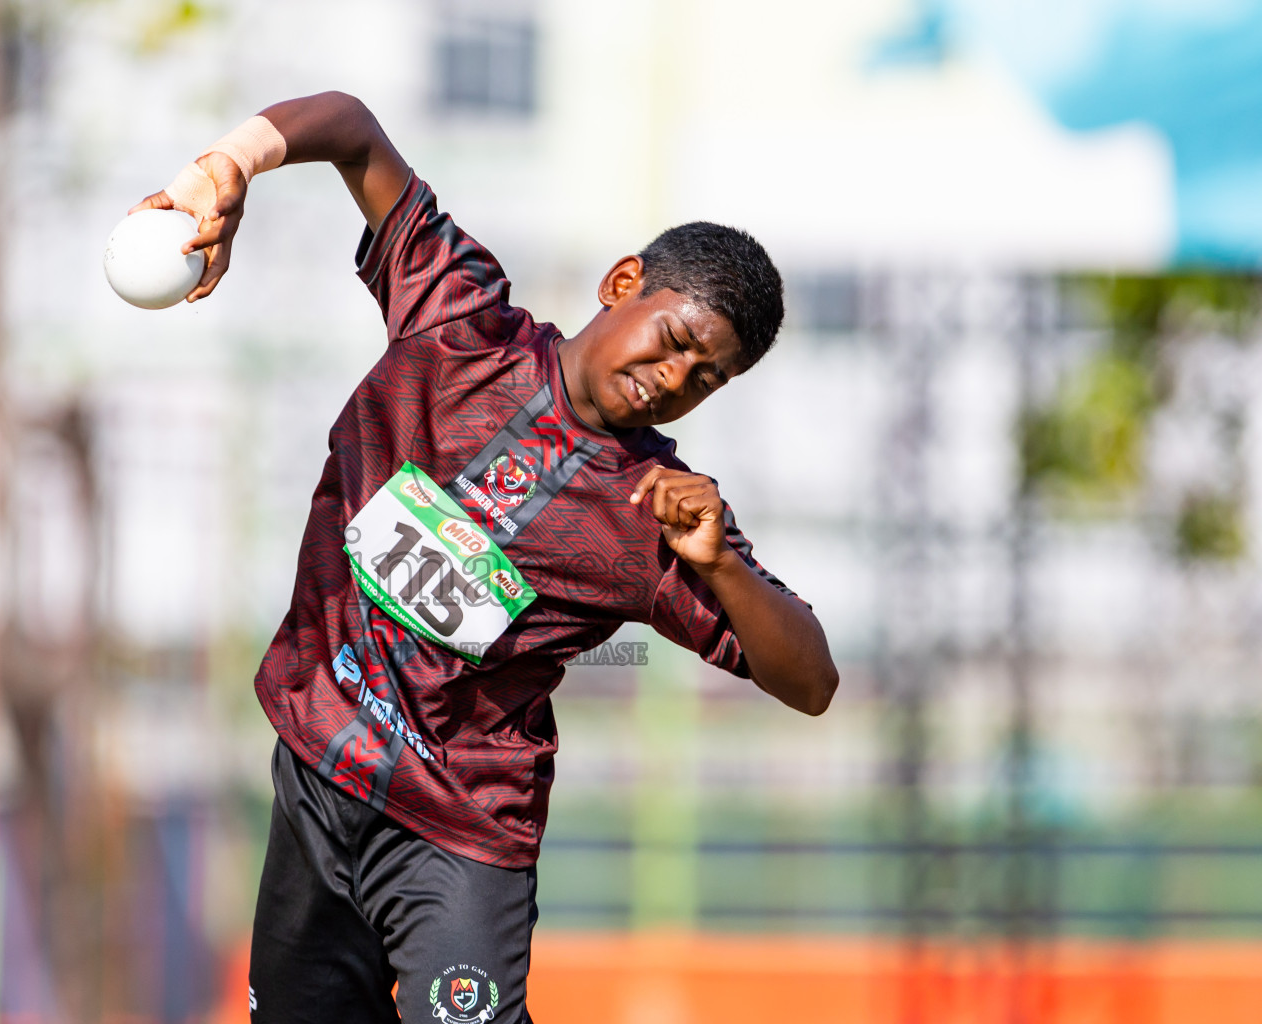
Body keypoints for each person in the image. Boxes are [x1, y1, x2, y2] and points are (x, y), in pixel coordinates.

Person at [130, 90, 839, 1024]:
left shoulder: (659, 516)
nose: (674, 381)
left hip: (460, 833)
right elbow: (349, 128)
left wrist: (722, 568)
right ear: (624, 283)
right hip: (316, 768)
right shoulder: (456, 317)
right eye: (675, 343)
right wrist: (225, 168)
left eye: (706, 379)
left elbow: (812, 679)